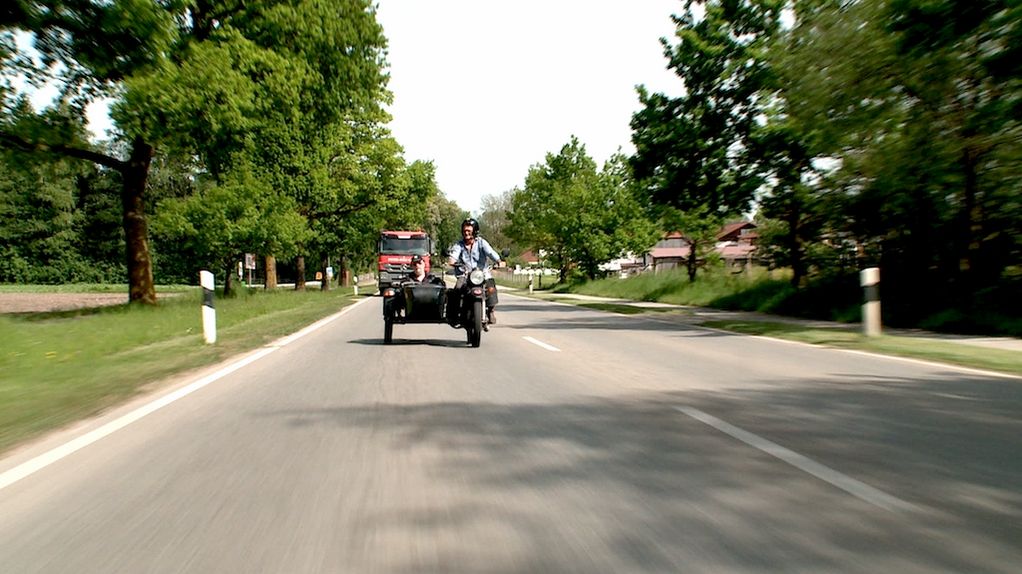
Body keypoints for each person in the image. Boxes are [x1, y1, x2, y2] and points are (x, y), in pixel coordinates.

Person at [447, 217, 501, 324]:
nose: (466, 233)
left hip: (482, 273)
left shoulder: (481, 243)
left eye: (469, 231)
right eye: (464, 231)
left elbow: (490, 253)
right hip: (465, 273)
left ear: (475, 231)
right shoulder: (459, 245)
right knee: (458, 288)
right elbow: (453, 257)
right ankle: (455, 314)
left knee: (491, 287)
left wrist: (499, 260)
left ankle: (490, 310)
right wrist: (452, 261)